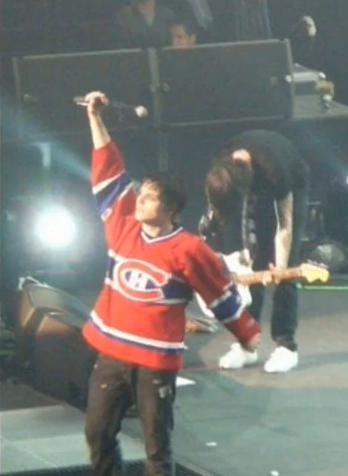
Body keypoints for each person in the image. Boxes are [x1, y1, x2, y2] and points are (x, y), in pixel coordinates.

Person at [81, 91, 261, 476]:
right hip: (112, 355)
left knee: (157, 451)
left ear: (171, 209)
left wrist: (245, 333)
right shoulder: (122, 226)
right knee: (97, 434)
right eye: (140, 195)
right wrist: (95, 118)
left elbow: (219, 295)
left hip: (154, 363)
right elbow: (108, 170)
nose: (139, 201)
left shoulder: (188, 249)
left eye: (148, 198)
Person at [203, 129, 309, 373]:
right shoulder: (220, 167)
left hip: (293, 182)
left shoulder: (276, 171)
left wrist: (281, 268)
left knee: (284, 268)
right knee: (252, 263)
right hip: (248, 180)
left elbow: (285, 225)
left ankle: (286, 346)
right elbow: (216, 215)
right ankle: (247, 344)